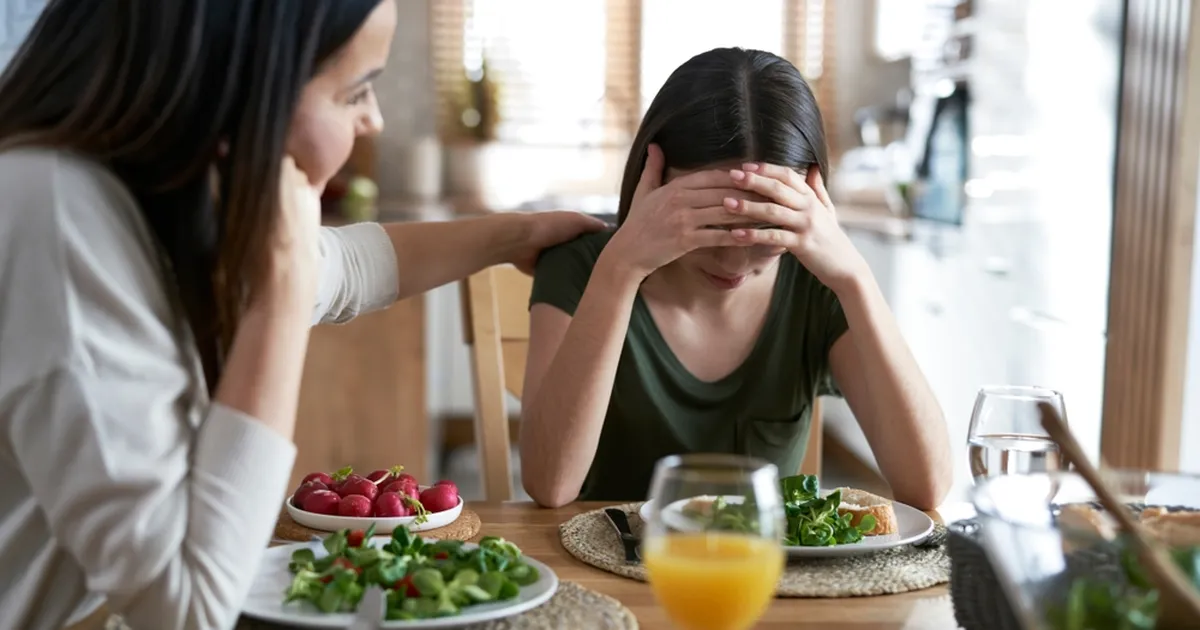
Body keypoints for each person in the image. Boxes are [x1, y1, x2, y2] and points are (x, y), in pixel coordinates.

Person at [0, 1, 603, 629]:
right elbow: (186, 612)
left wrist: (517, 235)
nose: (375, 119)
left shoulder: (142, 193)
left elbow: (348, 265)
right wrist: (279, 306)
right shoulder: (57, 221)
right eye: (355, 91)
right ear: (247, 82)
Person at [519, 47, 952, 510]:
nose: (734, 262)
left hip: (765, 577)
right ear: (654, 181)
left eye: (766, 229)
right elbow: (551, 485)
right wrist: (619, 272)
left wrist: (855, 279)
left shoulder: (820, 285)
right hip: (606, 568)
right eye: (709, 224)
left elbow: (926, 486)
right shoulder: (583, 268)